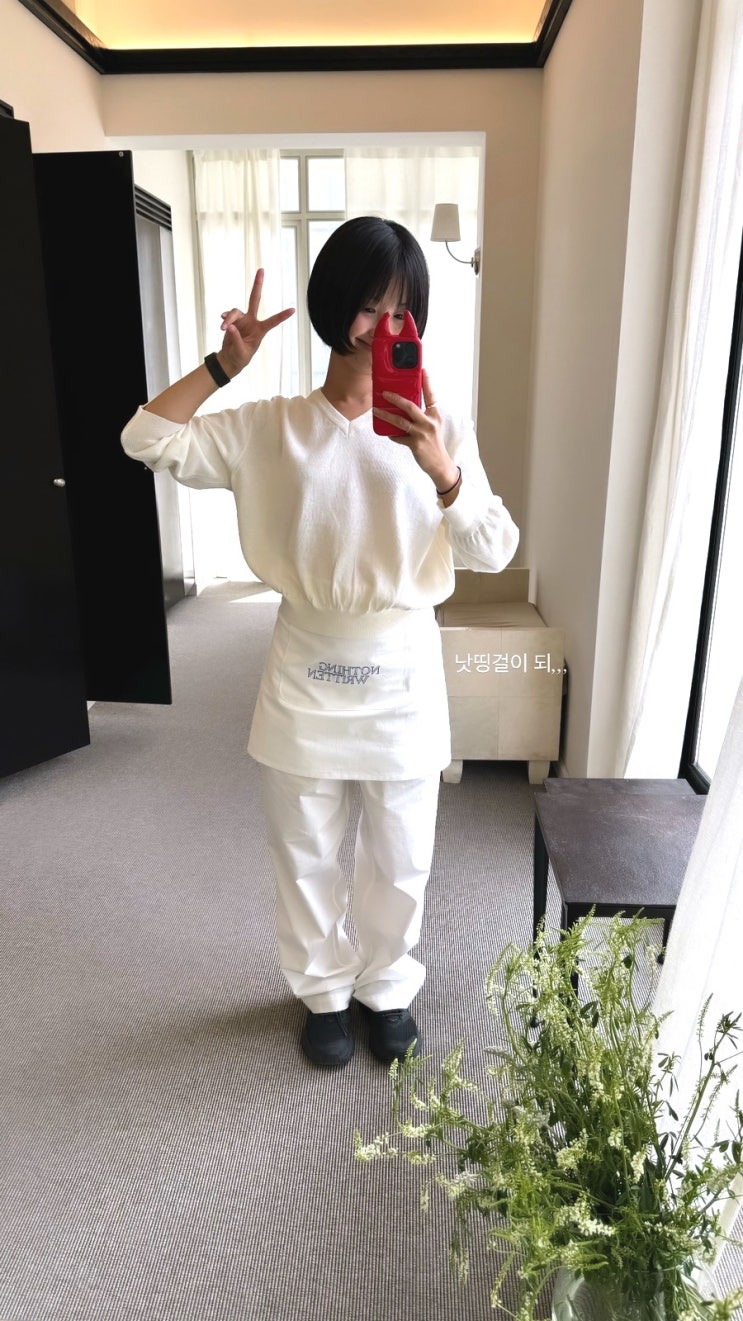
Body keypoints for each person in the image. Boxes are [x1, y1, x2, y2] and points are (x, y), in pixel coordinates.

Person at [121, 216, 519, 1071]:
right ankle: (324, 992)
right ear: (332, 305)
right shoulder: (270, 426)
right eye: (369, 305)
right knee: (302, 845)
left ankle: (387, 987)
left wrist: (442, 468)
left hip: (403, 664)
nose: (382, 327)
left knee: (400, 851)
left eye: (401, 311)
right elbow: (144, 437)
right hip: (305, 660)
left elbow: (494, 548)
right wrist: (222, 367)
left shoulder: (440, 425)